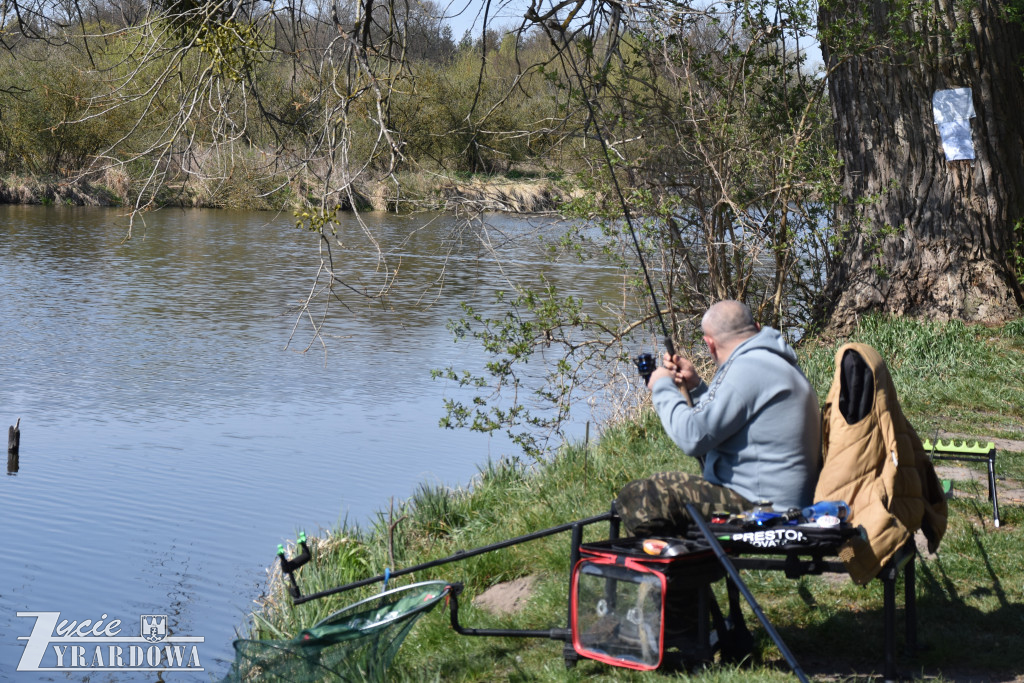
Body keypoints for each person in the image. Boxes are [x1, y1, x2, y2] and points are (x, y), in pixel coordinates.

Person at [616, 300, 821, 536]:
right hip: (782, 499)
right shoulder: (773, 361)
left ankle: (671, 558)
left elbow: (692, 437)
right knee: (663, 486)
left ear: (710, 344)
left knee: (645, 496)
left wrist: (662, 385)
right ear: (756, 327)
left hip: (766, 507)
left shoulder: (747, 369)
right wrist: (695, 387)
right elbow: (723, 421)